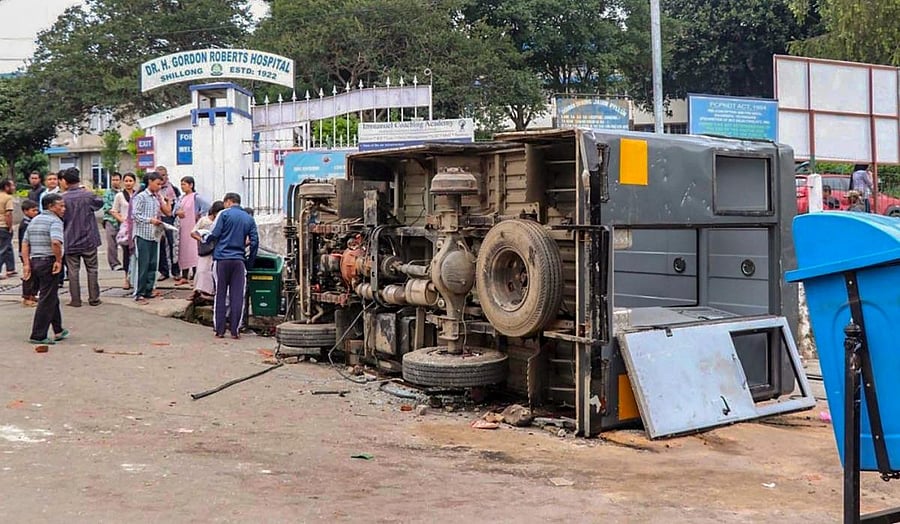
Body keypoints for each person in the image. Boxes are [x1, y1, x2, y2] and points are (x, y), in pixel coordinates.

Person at [208, 193, 258, 339]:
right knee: (238, 296)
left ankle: (220, 330)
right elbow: (254, 242)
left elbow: (214, 233)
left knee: (220, 294)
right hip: (239, 261)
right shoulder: (248, 218)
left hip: (221, 260)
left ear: (228, 202)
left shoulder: (223, 214)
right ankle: (235, 330)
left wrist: (205, 239)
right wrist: (249, 261)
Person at [22, 193, 69, 345]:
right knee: (47, 298)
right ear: (50, 207)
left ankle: (58, 329)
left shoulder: (35, 220)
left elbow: (25, 243)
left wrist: (27, 264)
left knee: (50, 295)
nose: (63, 209)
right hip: (48, 261)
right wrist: (58, 260)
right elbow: (56, 242)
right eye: (60, 206)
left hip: (35, 261)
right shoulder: (55, 221)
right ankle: (38, 334)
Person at [60, 167, 104, 307]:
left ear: (65, 182)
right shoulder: (88, 195)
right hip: (89, 238)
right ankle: (94, 299)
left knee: (72, 271)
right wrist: (89, 190)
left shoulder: (62, 198)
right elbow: (100, 203)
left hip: (70, 238)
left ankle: (76, 300)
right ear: (79, 180)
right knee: (92, 269)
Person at [131, 172, 167, 304]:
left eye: (160, 185)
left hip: (154, 235)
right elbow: (135, 215)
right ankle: (139, 293)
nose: (159, 187)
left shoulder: (156, 198)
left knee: (153, 264)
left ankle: (149, 289)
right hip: (142, 235)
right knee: (143, 265)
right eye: (157, 184)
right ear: (150, 182)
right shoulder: (141, 197)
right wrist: (150, 220)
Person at [173, 176, 206, 286]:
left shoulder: (196, 197)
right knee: (184, 251)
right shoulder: (181, 198)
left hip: (193, 227)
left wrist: (199, 216)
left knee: (194, 251)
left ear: (191, 185)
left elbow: (207, 207)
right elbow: (174, 211)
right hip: (183, 228)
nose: (182, 186)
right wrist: (178, 213)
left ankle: (196, 277)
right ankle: (184, 276)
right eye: (181, 184)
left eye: (184, 184)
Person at [191, 200, 224, 302]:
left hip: (216, 250)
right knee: (202, 270)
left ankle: (209, 292)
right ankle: (198, 290)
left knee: (211, 272)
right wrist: (202, 239)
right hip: (206, 249)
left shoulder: (221, 221)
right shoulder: (204, 221)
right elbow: (193, 232)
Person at [110, 173, 137, 290]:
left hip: (137, 226)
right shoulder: (119, 196)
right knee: (126, 253)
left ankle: (136, 278)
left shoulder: (138, 195)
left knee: (137, 253)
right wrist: (123, 220)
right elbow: (114, 211)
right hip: (126, 228)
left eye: (130, 181)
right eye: (126, 181)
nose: (128, 183)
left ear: (134, 182)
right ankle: (126, 278)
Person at [156, 166, 180, 281]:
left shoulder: (173, 189)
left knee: (173, 244)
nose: (162, 178)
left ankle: (176, 271)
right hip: (157, 219)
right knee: (159, 245)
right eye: (160, 175)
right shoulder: (153, 189)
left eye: (164, 175)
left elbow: (178, 204)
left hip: (169, 219)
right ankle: (163, 271)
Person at [18, 199, 40, 306]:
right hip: (27, 253)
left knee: (35, 275)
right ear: (25, 211)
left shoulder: (31, 222)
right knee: (29, 275)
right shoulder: (25, 224)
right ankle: (26, 297)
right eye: (33, 210)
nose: (36, 212)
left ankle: (32, 295)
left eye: (37, 210)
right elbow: (24, 242)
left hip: (34, 253)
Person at [102, 172, 123, 270]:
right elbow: (107, 207)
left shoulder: (123, 193)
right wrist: (116, 213)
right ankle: (114, 264)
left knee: (125, 243)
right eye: (113, 180)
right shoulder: (107, 193)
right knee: (112, 244)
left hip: (123, 221)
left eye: (117, 180)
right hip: (111, 220)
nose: (115, 182)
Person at [0, 179, 17, 279]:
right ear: (6, 187)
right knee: (3, 249)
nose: (14, 188)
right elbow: (8, 214)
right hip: (3, 226)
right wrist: (10, 227)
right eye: (12, 186)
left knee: (8, 247)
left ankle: (11, 268)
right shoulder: (7, 198)